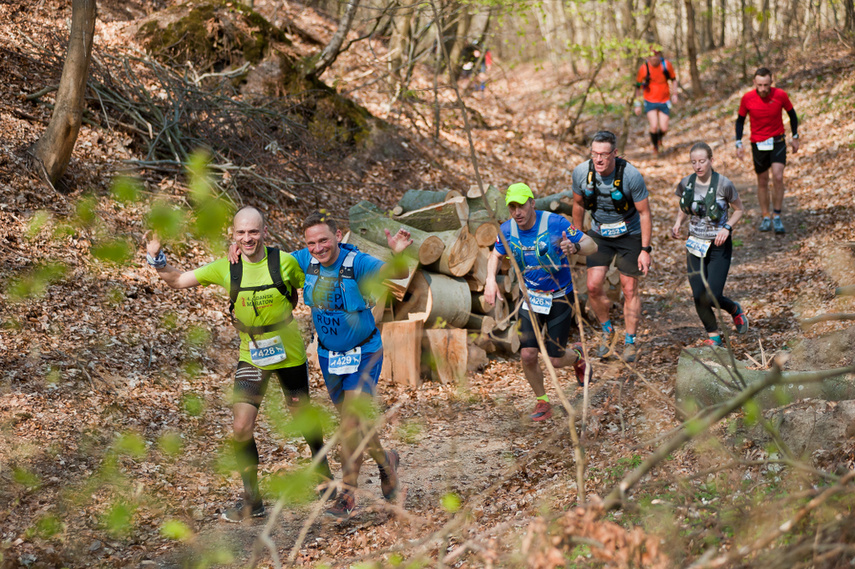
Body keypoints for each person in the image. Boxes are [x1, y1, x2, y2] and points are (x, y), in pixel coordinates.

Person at [144, 206, 333, 522]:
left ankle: (324, 474)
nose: (248, 238)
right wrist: (156, 257)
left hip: (288, 353)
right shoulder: (226, 268)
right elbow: (177, 280)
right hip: (252, 354)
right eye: (241, 233)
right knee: (241, 426)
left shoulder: (285, 262)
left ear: (264, 232)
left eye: (253, 232)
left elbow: (321, 276)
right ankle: (252, 500)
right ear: (232, 236)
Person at [290, 213, 411, 518]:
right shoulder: (304, 260)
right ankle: (386, 463)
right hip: (330, 357)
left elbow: (398, 272)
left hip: (365, 353)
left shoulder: (356, 262)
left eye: (324, 240)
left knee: (349, 425)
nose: (318, 248)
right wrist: (237, 251)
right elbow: (267, 264)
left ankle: (348, 495)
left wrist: (398, 254)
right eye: (312, 243)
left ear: (338, 236)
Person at [484, 183, 597, 422]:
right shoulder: (507, 230)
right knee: (527, 355)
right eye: (512, 207)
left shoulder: (554, 223)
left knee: (555, 360)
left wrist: (574, 246)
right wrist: (490, 281)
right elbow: (495, 254)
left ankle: (577, 356)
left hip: (560, 296)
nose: (517, 212)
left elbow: (592, 245)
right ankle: (542, 401)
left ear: (532, 203)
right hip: (532, 298)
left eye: (522, 205)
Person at [571, 130, 652, 363]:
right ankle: (608, 332)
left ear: (615, 153)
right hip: (599, 234)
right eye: (594, 154)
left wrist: (645, 250)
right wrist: (577, 236)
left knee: (629, 289)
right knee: (593, 286)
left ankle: (630, 341)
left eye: (604, 155)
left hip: (630, 234)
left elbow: (644, 213)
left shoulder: (631, 176)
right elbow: (578, 204)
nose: (599, 160)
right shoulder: (581, 173)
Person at [671, 142, 749, 346]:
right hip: (695, 244)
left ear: (711, 161)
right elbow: (684, 206)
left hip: (718, 246)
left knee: (711, 295)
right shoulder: (686, 182)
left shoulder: (724, 184)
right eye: (694, 162)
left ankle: (733, 309)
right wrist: (678, 223)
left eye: (702, 161)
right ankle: (714, 336)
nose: (698, 166)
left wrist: (727, 228)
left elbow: (739, 209)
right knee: (698, 295)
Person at [735, 67, 800, 234]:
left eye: (766, 85)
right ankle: (765, 216)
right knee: (762, 181)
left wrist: (795, 136)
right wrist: (738, 143)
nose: (763, 89)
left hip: (777, 141)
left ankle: (777, 215)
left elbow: (792, 115)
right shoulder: (747, 98)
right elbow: (740, 121)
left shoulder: (780, 95)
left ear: (772, 82)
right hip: (758, 143)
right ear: (754, 83)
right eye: (760, 85)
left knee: (778, 176)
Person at [634, 49, 678, 154]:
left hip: (664, 100)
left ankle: (659, 139)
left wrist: (675, 94)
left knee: (664, 127)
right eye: (651, 56)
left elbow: (674, 79)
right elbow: (638, 86)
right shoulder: (644, 68)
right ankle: (655, 147)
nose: (654, 58)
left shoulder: (666, 65)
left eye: (656, 55)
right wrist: (637, 104)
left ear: (659, 55)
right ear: (648, 57)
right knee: (653, 126)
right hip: (650, 100)